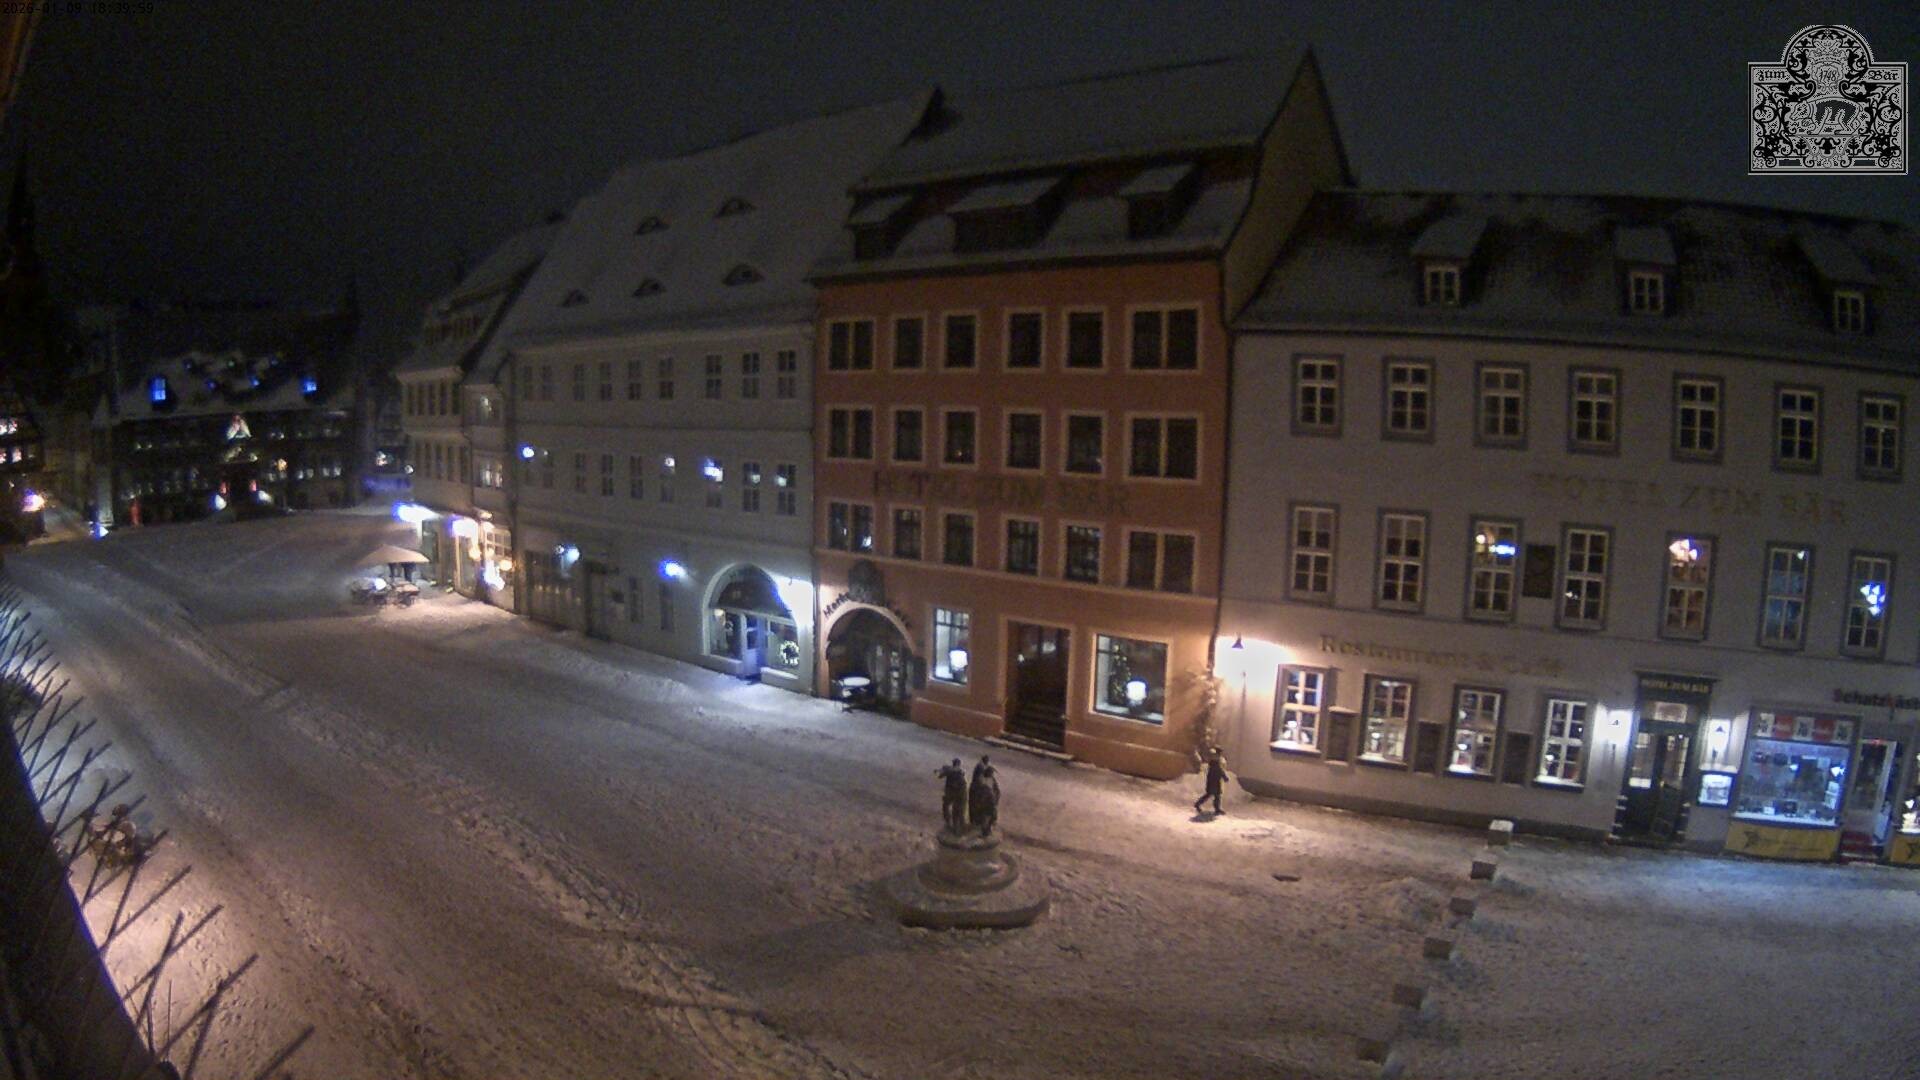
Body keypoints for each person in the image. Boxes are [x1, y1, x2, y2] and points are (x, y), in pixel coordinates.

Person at [968, 756, 1000, 837]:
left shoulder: (988, 780)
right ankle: (984, 830)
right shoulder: (983, 781)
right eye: (991, 773)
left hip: (988, 802)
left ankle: (985, 829)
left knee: (989, 817)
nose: (992, 774)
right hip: (985, 803)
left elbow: (997, 791)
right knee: (986, 817)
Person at [1194, 747, 1229, 816]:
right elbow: (1219, 770)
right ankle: (1216, 809)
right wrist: (1224, 777)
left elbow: (1219, 770)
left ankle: (1199, 804)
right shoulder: (1216, 759)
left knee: (1212, 794)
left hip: (1212, 780)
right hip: (1214, 780)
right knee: (1215, 795)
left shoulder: (1215, 759)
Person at [936, 758, 967, 832]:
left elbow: (939, 776)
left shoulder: (949, 770)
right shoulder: (961, 771)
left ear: (953, 763)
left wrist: (941, 770)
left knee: (946, 806)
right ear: (959, 764)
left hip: (950, 792)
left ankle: (948, 821)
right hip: (958, 793)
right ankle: (959, 825)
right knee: (958, 809)